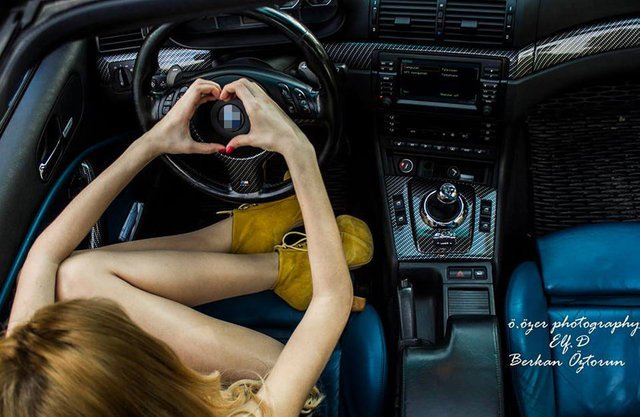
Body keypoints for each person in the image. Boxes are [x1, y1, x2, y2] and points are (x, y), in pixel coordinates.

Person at [0, 78, 374, 416]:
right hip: (281, 386)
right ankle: (285, 264)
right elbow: (331, 302)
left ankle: (250, 240)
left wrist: (153, 142)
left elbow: (44, 256)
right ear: (144, 371)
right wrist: (296, 146)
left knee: (72, 275)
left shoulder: (26, 390)